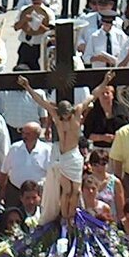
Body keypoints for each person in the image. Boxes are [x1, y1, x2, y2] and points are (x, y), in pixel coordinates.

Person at [19, 76, 109, 224]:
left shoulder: (78, 111)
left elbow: (93, 95)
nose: (65, 117)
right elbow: (41, 101)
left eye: (67, 114)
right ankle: (65, 219)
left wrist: (105, 81)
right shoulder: (57, 116)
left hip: (74, 155)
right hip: (64, 156)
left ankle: (71, 218)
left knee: (76, 191)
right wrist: (28, 87)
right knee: (66, 191)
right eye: (63, 115)